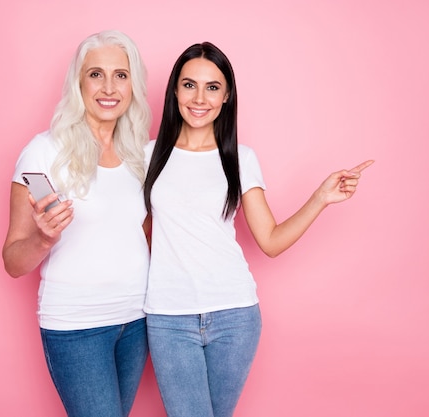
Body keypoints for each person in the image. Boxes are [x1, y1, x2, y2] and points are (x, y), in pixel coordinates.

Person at [143, 41, 374, 417]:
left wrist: (320, 197)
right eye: (189, 85)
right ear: (174, 89)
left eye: (212, 87)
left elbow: (269, 240)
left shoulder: (241, 158)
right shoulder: (148, 155)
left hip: (235, 316)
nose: (199, 97)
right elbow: (138, 231)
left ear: (226, 96)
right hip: (169, 318)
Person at [2, 30, 151, 417]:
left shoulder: (142, 155)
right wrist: (43, 237)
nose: (109, 87)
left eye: (121, 74)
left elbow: (145, 236)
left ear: (133, 83)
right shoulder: (44, 152)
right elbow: (14, 262)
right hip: (76, 326)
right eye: (95, 74)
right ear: (78, 82)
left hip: (137, 321)